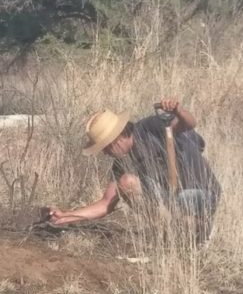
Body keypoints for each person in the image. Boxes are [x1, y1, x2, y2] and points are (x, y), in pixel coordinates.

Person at [48, 99, 221, 245]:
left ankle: (196, 228)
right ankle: (171, 233)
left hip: (201, 193)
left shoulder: (151, 127)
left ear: (118, 137)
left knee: (185, 209)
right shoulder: (121, 162)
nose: (104, 153)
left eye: (105, 146)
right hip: (172, 200)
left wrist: (178, 110)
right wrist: (66, 216)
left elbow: (189, 124)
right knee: (127, 183)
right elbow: (105, 204)